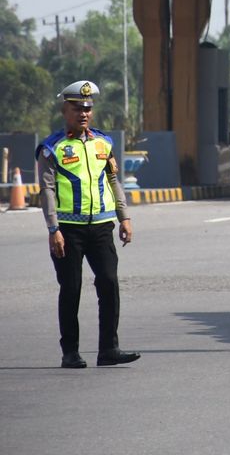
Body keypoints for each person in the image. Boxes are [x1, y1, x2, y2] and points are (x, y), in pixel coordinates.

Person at [38, 80, 140, 368]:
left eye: (87, 109)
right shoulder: (51, 147)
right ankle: (70, 352)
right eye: (77, 108)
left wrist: (125, 217)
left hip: (101, 228)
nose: (83, 113)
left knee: (109, 283)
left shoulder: (103, 143)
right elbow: (46, 191)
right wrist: (53, 229)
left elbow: (113, 180)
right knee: (71, 288)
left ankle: (109, 349)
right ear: (65, 111)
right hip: (68, 230)